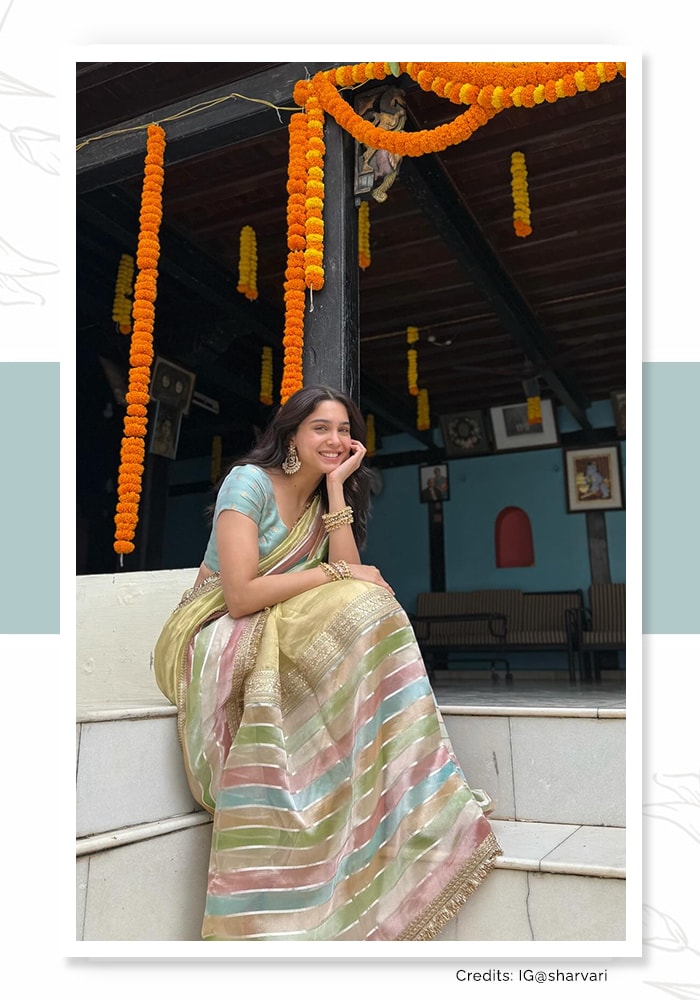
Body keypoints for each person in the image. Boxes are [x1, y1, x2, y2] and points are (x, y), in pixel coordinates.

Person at [153, 384, 500, 941]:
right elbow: (240, 595)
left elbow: (349, 578)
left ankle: (404, 788)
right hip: (212, 629)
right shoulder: (248, 482)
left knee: (371, 604)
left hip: (278, 619)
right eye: (321, 428)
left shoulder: (323, 501)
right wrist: (336, 574)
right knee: (361, 598)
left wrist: (337, 489)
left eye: (344, 430)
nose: (335, 439)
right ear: (290, 435)